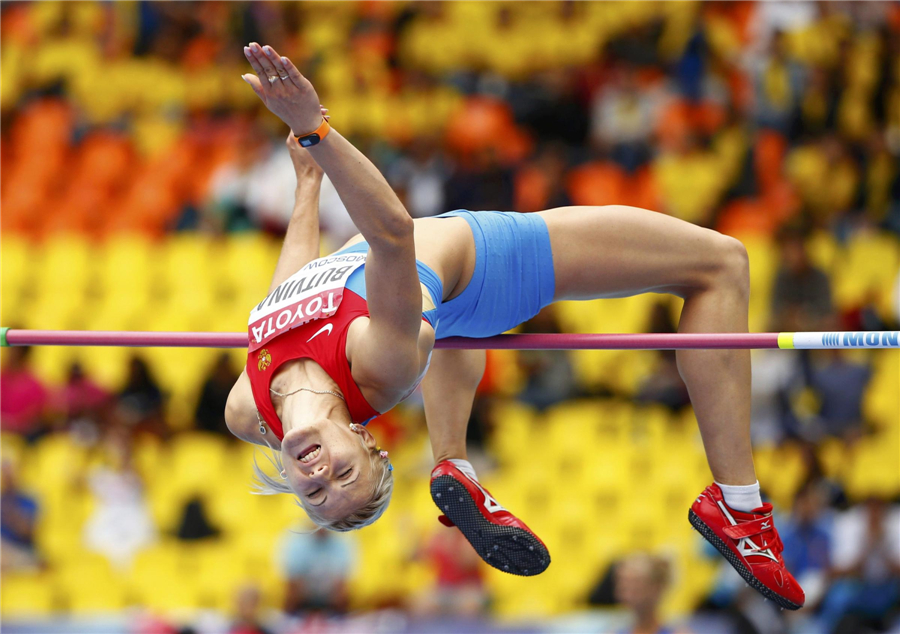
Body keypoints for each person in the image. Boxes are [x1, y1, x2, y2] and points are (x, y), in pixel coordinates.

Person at [224, 42, 805, 609]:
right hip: (489, 266)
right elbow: (393, 236)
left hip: (440, 304)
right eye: (343, 475)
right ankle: (740, 506)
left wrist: (307, 185)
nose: (320, 474)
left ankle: (454, 461)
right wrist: (315, 132)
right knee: (721, 264)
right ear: (364, 437)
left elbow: (284, 295)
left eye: (314, 491)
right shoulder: (378, 365)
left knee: (440, 326)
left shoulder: (248, 410)